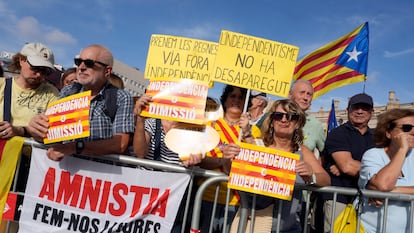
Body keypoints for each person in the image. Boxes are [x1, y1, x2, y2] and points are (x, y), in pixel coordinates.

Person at [27, 44, 135, 161]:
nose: (81, 67)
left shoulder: (121, 97)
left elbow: (120, 143)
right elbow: (50, 133)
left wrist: (75, 147)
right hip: (64, 172)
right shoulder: (69, 91)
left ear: (107, 71)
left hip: (99, 175)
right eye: (78, 62)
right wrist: (36, 129)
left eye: (89, 63)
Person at [0, 42, 59, 233]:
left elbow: (51, 131)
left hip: (27, 170)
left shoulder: (52, 94)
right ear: (21, 61)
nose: (40, 75)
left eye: (45, 71)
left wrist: (19, 131)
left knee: (10, 220)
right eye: (35, 68)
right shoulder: (2, 85)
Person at [257, 99, 330, 233]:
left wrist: (311, 176)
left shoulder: (303, 152)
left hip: (288, 227)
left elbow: (326, 179)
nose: (284, 120)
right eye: (278, 116)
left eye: (291, 117)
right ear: (272, 121)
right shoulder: (258, 146)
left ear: (297, 124)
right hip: (256, 224)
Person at [198, 85, 261, 233]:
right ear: (225, 100)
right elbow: (199, 159)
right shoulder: (209, 126)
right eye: (233, 96)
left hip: (237, 201)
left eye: (241, 98)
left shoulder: (254, 131)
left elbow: (257, 162)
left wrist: (246, 132)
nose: (236, 100)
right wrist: (222, 161)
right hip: (207, 195)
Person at [321, 93, 375, 233]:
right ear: (348, 110)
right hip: (340, 198)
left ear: (372, 112)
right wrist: (379, 174)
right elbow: (348, 167)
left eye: (365, 108)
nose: (360, 111)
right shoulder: (338, 133)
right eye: (356, 107)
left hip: (369, 200)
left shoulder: (377, 137)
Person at [358, 108, 414, 233]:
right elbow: (383, 185)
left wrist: (392, 191)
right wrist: (402, 150)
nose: (413, 132)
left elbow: (383, 189)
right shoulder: (373, 155)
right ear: (388, 132)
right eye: (406, 128)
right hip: (371, 229)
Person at [288, 79, 325, 231]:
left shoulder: (316, 125)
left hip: (299, 196)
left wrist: (314, 174)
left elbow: (325, 154)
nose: (305, 97)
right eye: (301, 92)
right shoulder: (272, 116)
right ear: (290, 95)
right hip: (268, 190)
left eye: (309, 94)